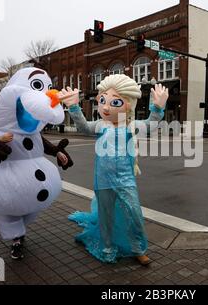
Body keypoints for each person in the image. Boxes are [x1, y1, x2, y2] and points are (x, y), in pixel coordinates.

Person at [59, 74, 168, 265]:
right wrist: (74, 107)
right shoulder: (100, 125)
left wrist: (158, 107)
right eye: (102, 100)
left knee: (134, 213)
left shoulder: (131, 126)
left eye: (114, 102)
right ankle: (107, 247)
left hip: (126, 179)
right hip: (102, 180)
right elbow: (84, 127)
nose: (106, 107)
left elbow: (150, 124)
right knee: (106, 216)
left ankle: (138, 248)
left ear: (128, 105)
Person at [0, 68, 73, 260]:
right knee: (10, 212)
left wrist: (57, 152)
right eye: (37, 86)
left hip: (33, 188)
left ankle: (19, 233)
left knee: (29, 211)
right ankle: (16, 240)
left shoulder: (33, 133)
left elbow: (43, 144)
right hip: (4, 181)